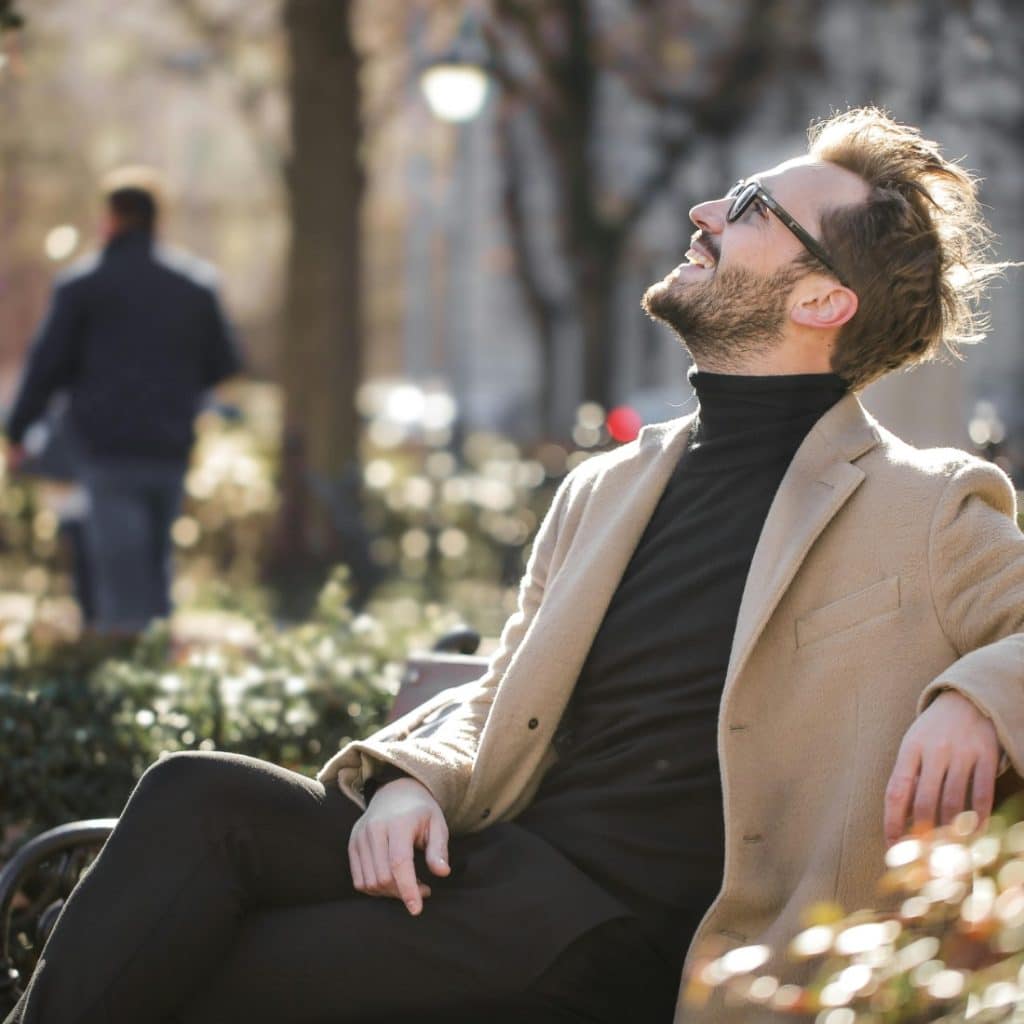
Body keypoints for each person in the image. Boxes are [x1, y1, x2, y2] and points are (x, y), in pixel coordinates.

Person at [5, 107, 1020, 1024]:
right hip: (492, 861)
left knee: (209, 970)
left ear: (821, 302)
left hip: (619, 936)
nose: (706, 209)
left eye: (750, 207)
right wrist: (411, 780)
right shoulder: (608, 485)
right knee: (196, 794)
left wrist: (975, 693)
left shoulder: (924, 504)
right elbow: (500, 686)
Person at [3, 169, 242, 635]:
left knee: (118, 580)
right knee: (155, 569)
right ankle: (153, 676)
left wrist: (16, 432)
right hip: (171, 446)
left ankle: (128, 680)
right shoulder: (194, 286)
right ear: (158, 221)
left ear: (110, 219)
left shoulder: (83, 285)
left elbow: (46, 366)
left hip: (105, 448)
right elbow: (223, 364)